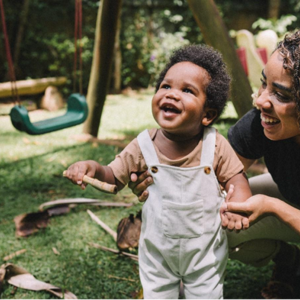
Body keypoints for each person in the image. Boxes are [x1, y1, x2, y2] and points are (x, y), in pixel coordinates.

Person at [64, 44, 252, 299]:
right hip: (157, 254)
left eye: (187, 90)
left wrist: (238, 206)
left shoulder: (215, 145)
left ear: (207, 114)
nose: (172, 94)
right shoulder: (143, 146)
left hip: (205, 255)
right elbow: (113, 176)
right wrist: (92, 168)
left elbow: (236, 180)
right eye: (166, 86)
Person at [129, 30, 300, 299]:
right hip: (292, 198)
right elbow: (211, 176)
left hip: (290, 206)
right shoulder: (259, 122)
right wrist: (159, 181)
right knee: (211, 217)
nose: (261, 100)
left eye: (281, 95)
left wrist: (272, 206)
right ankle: (289, 260)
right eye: (264, 84)